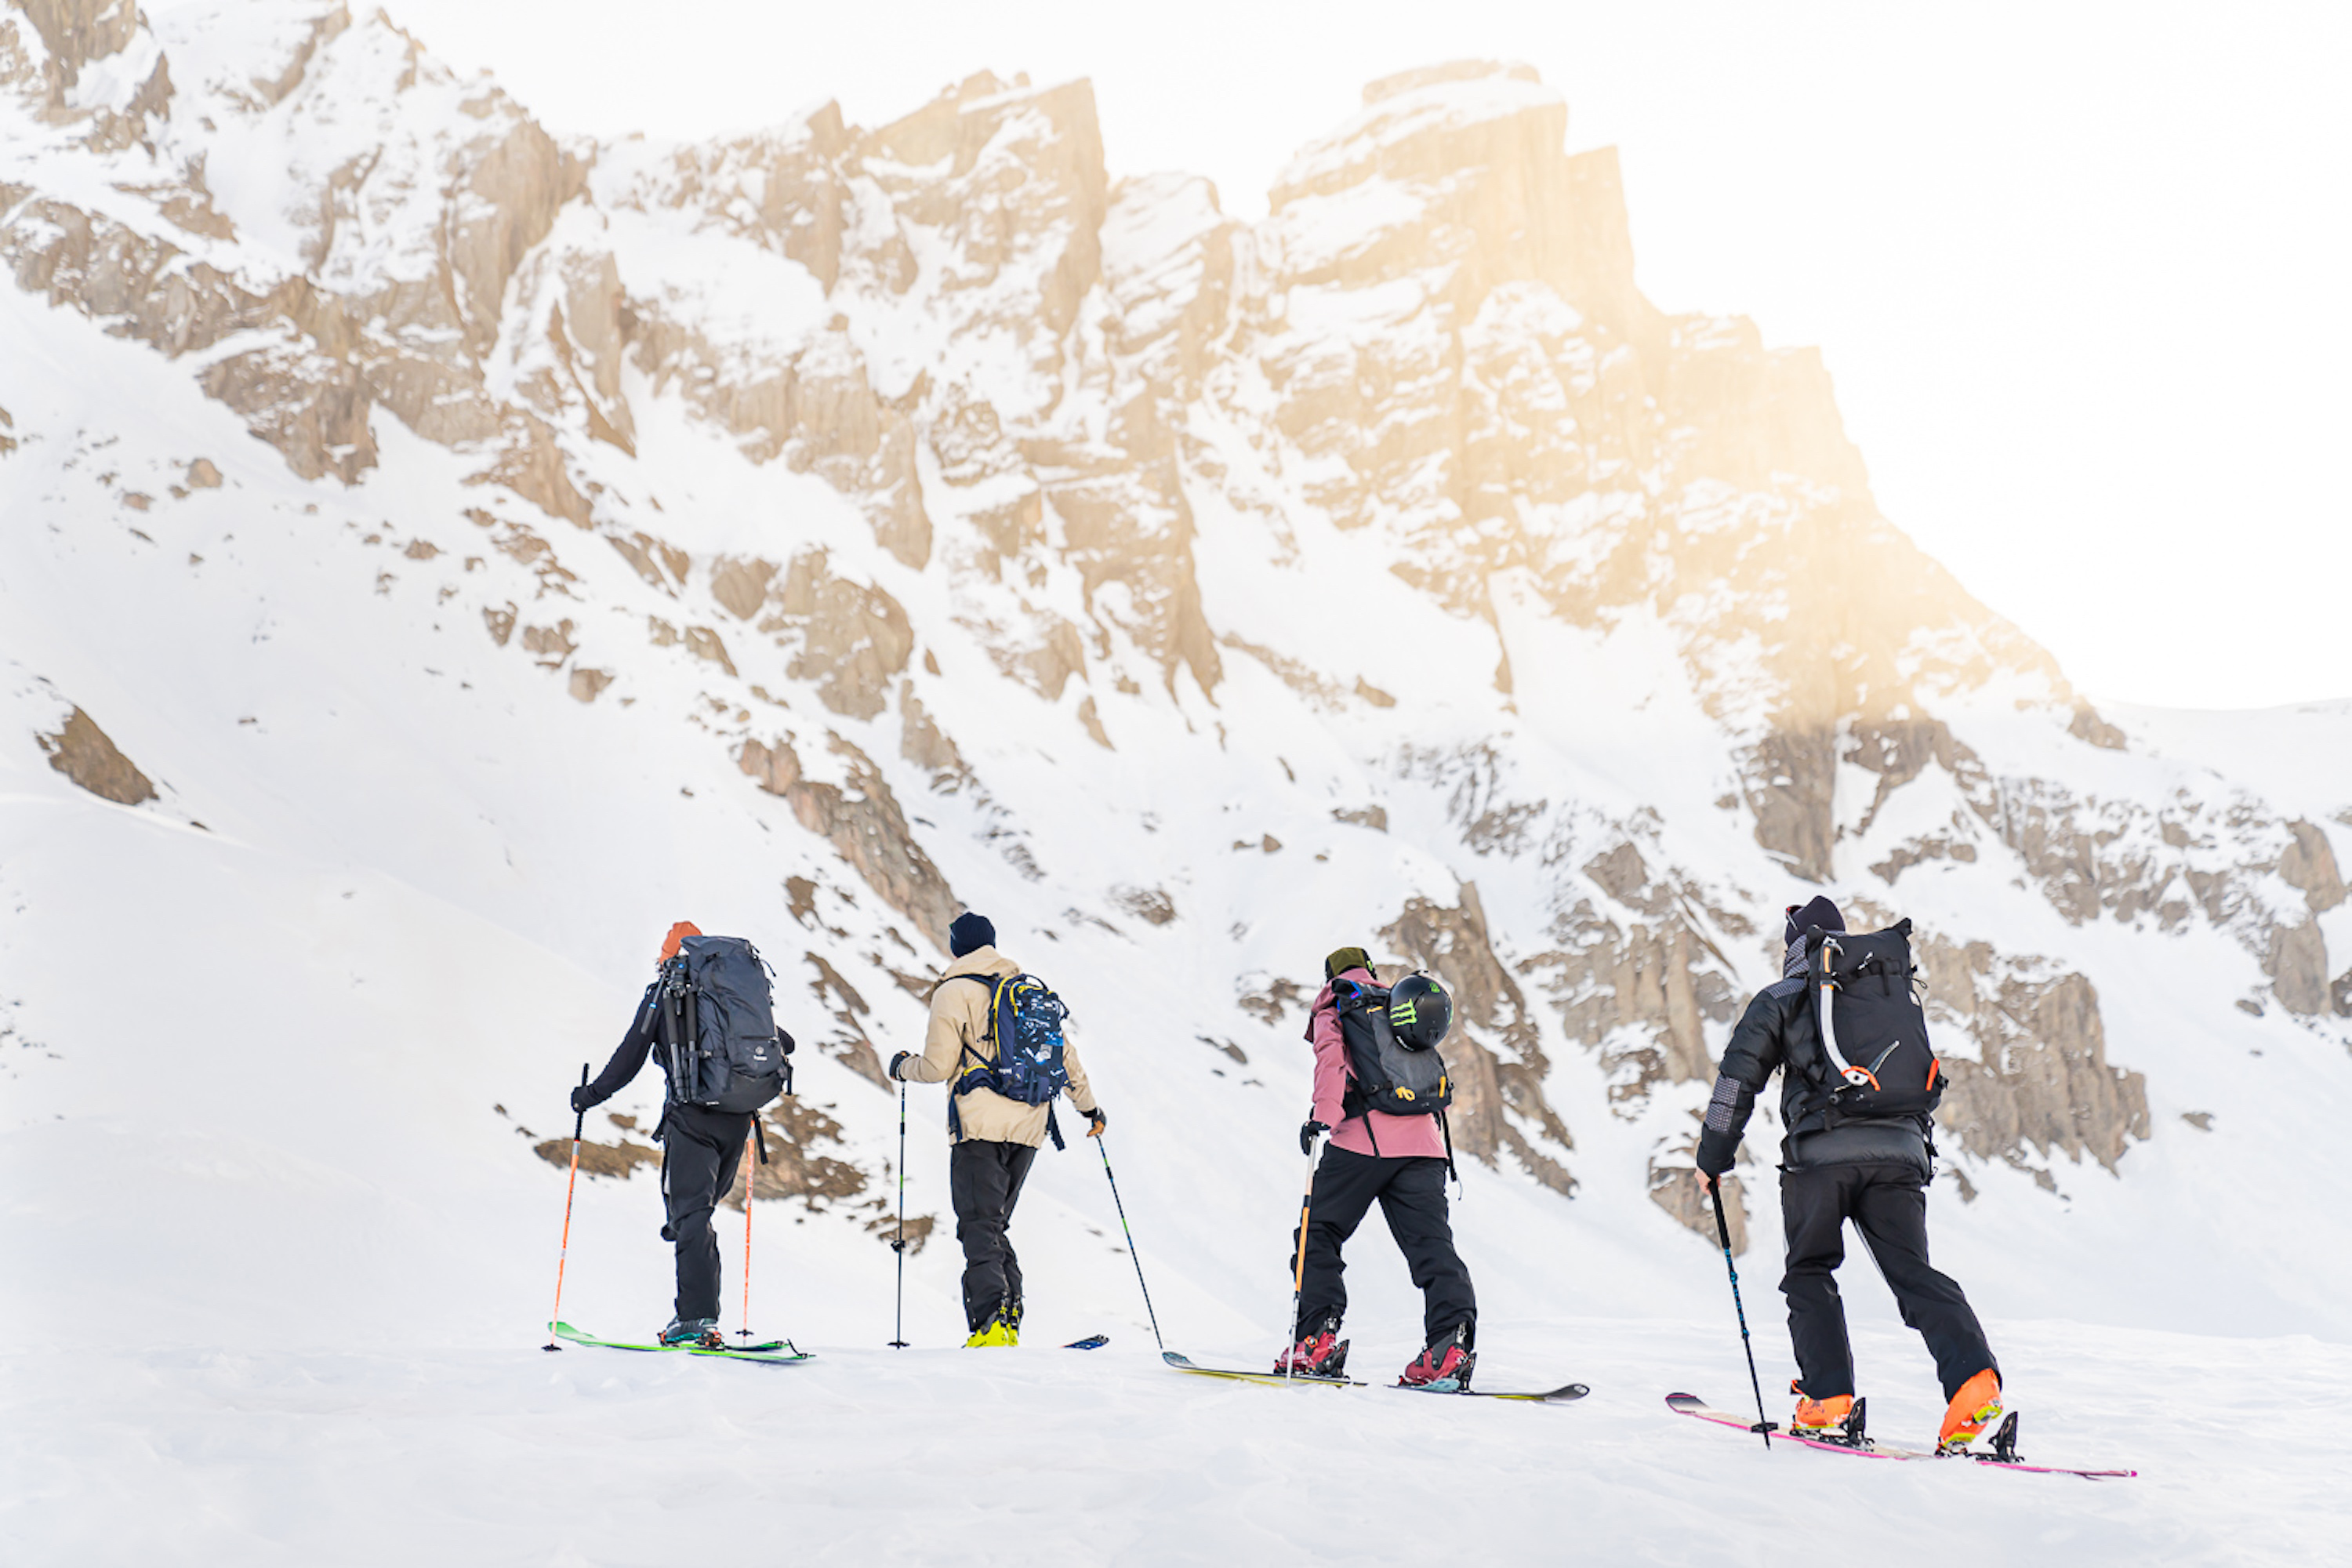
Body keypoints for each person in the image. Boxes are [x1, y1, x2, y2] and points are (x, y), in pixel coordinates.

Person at [1693, 895, 2002, 1451]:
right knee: (1912, 1273)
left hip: (1821, 1158)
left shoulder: (1782, 998)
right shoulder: (1883, 993)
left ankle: (1827, 1399)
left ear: (1794, 947)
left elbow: (1735, 1083)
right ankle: (1974, 1383)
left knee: (1810, 1270)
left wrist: (1712, 1160)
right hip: (1902, 1152)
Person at [571, 920, 793, 1348]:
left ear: (669, 957)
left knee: (692, 1217)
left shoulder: (665, 994)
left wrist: (590, 1095)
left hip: (691, 1118)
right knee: (697, 1215)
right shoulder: (731, 994)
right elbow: (784, 1042)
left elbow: (630, 1055)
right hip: (737, 1118)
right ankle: (698, 1303)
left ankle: (696, 1320)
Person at [890, 911, 1104, 1347]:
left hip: (979, 1122)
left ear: (956, 947)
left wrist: (902, 1067)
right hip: (1030, 1125)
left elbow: (937, 1067)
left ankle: (991, 1325)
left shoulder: (955, 990)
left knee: (977, 1224)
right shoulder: (1026, 991)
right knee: (994, 1225)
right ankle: (1007, 1322)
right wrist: (1090, 1110)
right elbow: (1066, 1059)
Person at [1278, 946, 1478, 1389]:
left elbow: (1332, 1062)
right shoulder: (1396, 1003)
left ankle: (1316, 1342)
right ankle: (1448, 1348)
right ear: (1369, 970)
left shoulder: (1339, 1002)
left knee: (1319, 1233)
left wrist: (1321, 1118)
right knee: (1432, 1248)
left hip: (1363, 1144)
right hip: (1425, 1147)